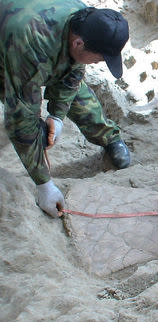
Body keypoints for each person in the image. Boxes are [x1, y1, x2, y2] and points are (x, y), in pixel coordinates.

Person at [0, 0, 131, 218]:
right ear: (78, 44)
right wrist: (44, 185)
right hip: (10, 46)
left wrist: (57, 116)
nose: (100, 63)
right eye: (100, 58)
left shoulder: (84, 19)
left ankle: (109, 137)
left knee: (75, 88)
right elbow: (21, 118)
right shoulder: (33, 42)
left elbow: (73, 75)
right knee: (24, 116)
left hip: (32, 38)